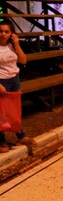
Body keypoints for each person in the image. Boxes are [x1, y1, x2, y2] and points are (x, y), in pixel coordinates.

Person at [0, 21, 35, 152]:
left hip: (14, 79)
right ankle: (1, 140)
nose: (3, 34)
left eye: (6, 32)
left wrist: (17, 44)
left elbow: (23, 60)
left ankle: (21, 136)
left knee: (14, 111)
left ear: (11, 33)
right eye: (1, 31)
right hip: (1, 80)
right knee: (1, 113)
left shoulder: (12, 46)